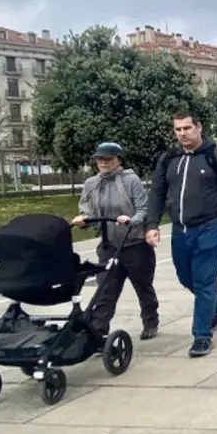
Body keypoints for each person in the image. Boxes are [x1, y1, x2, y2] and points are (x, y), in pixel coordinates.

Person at [145, 110, 217, 358]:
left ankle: (201, 336)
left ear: (198, 128)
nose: (182, 134)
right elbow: (157, 193)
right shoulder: (169, 159)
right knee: (185, 278)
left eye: (187, 128)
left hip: (210, 228)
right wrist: (151, 224)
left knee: (204, 281)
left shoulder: (216, 158)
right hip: (181, 230)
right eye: (178, 129)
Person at [72, 142, 160, 340]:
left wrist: (132, 220)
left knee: (143, 286)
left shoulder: (131, 180)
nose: (103, 162)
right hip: (108, 245)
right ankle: (98, 330)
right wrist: (83, 220)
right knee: (105, 290)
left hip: (135, 244)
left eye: (108, 158)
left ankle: (150, 321)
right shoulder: (91, 184)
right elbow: (86, 209)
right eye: (99, 159)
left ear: (118, 159)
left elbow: (143, 208)